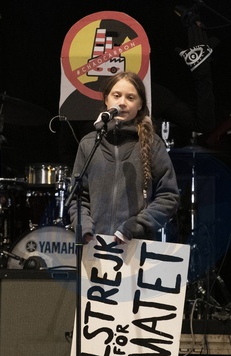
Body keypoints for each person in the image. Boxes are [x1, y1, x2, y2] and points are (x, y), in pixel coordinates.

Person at [68, 71, 180, 245]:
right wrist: (85, 229)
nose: (122, 102)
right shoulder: (89, 143)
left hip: (135, 246)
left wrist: (135, 227)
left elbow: (169, 196)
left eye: (130, 97)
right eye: (116, 95)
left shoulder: (152, 143)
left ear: (140, 104)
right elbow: (78, 197)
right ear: (106, 99)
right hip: (95, 246)